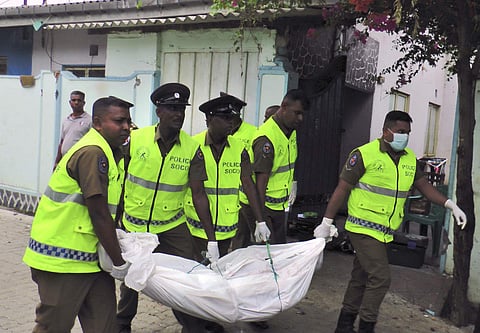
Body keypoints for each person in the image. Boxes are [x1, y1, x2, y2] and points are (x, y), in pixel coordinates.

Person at [314, 110, 467, 333]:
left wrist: (450, 205)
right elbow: (342, 188)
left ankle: (344, 324)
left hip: (385, 231)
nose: (404, 136)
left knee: (361, 276)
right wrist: (326, 223)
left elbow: (425, 188)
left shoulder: (409, 160)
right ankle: (367, 326)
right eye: (400, 131)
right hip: (362, 228)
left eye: (408, 132)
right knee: (380, 278)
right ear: (386, 131)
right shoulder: (364, 154)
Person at [23, 96, 133, 333]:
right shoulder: (93, 152)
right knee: (53, 327)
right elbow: (99, 213)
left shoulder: (112, 152)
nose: (126, 127)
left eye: (128, 121)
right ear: (98, 123)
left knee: (105, 327)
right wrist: (119, 261)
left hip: (91, 259)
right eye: (119, 121)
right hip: (62, 261)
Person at [116, 83, 217, 333]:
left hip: (172, 226)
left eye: (181, 108)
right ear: (158, 111)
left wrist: (211, 240)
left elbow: (199, 194)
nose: (178, 114)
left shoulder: (192, 149)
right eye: (172, 108)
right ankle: (121, 325)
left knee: (184, 279)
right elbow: (117, 181)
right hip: (134, 225)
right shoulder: (135, 139)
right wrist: (114, 219)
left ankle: (192, 325)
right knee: (131, 281)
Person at [54, 90, 92, 168]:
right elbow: (62, 142)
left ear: (83, 103)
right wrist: (57, 162)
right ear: (70, 102)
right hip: (65, 160)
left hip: (80, 161)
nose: (76, 102)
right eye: (74, 100)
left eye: (79, 100)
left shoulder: (89, 120)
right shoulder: (66, 120)